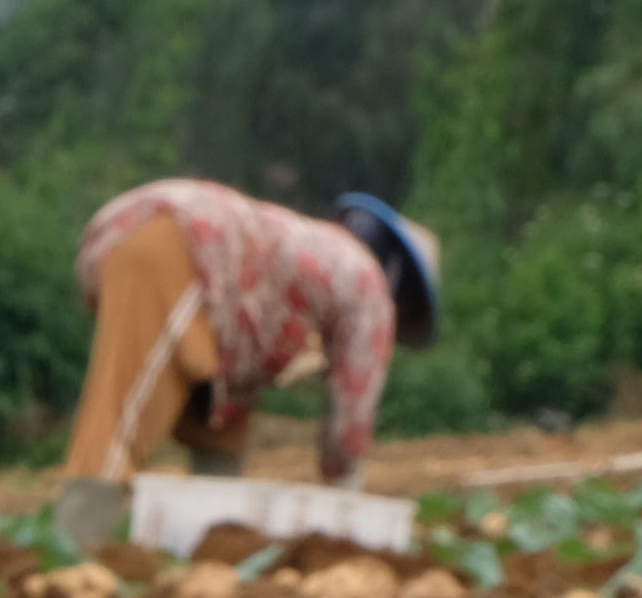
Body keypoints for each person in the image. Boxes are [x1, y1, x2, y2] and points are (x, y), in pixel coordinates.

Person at [59, 182, 441, 534]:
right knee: (121, 416)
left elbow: (252, 349)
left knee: (222, 424)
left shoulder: (319, 253)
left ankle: (209, 546)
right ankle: (74, 552)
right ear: (401, 288)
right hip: (179, 245)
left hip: (153, 236)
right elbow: (350, 418)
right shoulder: (369, 285)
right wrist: (349, 514)